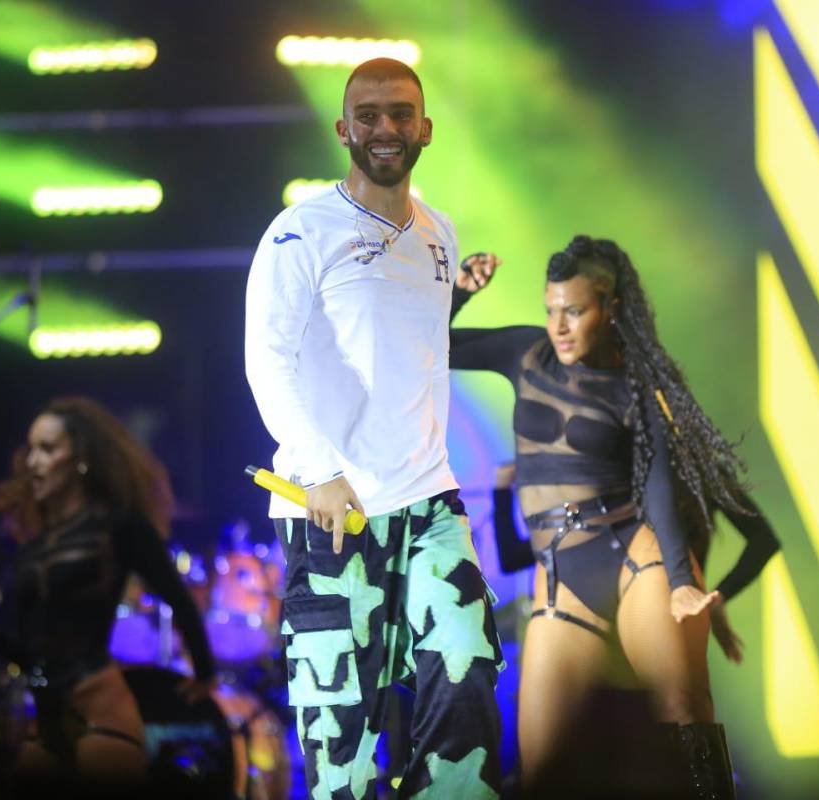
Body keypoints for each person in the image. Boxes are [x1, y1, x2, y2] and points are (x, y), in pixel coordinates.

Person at [244, 58, 503, 798]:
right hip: (335, 511)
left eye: (400, 114)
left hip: (427, 503)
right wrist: (317, 469)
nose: (385, 128)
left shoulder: (440, 232)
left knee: (466, 668)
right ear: (343, 129)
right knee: (342, 748)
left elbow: (413, 353)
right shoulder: (300, 232)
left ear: (425, 128)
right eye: (369, 115)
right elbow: (267, 360)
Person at [450, 237, 750, 798]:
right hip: (563, 578)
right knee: (542, 761)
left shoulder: (637, 383)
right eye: (551, 310)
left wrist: (683, 584)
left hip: (634, 557)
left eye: (574, 311)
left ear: (608, 309)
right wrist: (459, 292)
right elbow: (431, 346)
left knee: (683, 713)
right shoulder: (526, 353)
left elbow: (658, 482)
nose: (559, 325)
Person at [0, 396, 217, 799]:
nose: (33, 461)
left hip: (100, 712)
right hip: (49, 722)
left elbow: (176, 594)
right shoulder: (35, 549)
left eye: (48, 449)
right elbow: (26, 654)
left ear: (81, 458)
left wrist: (204, 669)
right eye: (31, 449)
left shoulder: (118, 525)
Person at [490, 462, 780, 665]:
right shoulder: (695, 469)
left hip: (622, 636)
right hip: (671, 629)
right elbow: (764, 541)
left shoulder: (609, 479)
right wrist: (717, 599)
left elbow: (513, 557)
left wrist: (502, 489)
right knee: (683, 721)